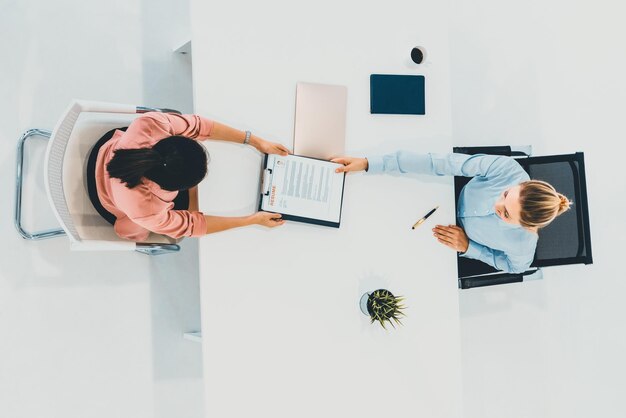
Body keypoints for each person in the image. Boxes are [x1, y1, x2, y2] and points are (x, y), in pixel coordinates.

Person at [331, 151, 571, 273]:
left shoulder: (523, 244)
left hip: (439, 241)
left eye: (506, 214)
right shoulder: (507, 169)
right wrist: (370, 163)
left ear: (525, 226)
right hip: (442, 194)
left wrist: (469, 248)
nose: (497, 205)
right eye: (505, 195)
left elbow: (515, 267)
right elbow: (440, 163)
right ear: (519, 184)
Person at [91, 112, 290, 242]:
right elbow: (192, 226)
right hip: (108, 199)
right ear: (173, 190)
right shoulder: (147, 210)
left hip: (108, 152)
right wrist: (250, 220)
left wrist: (256, 141)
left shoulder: (150, 125)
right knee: (179, 221)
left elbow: (200, 126)